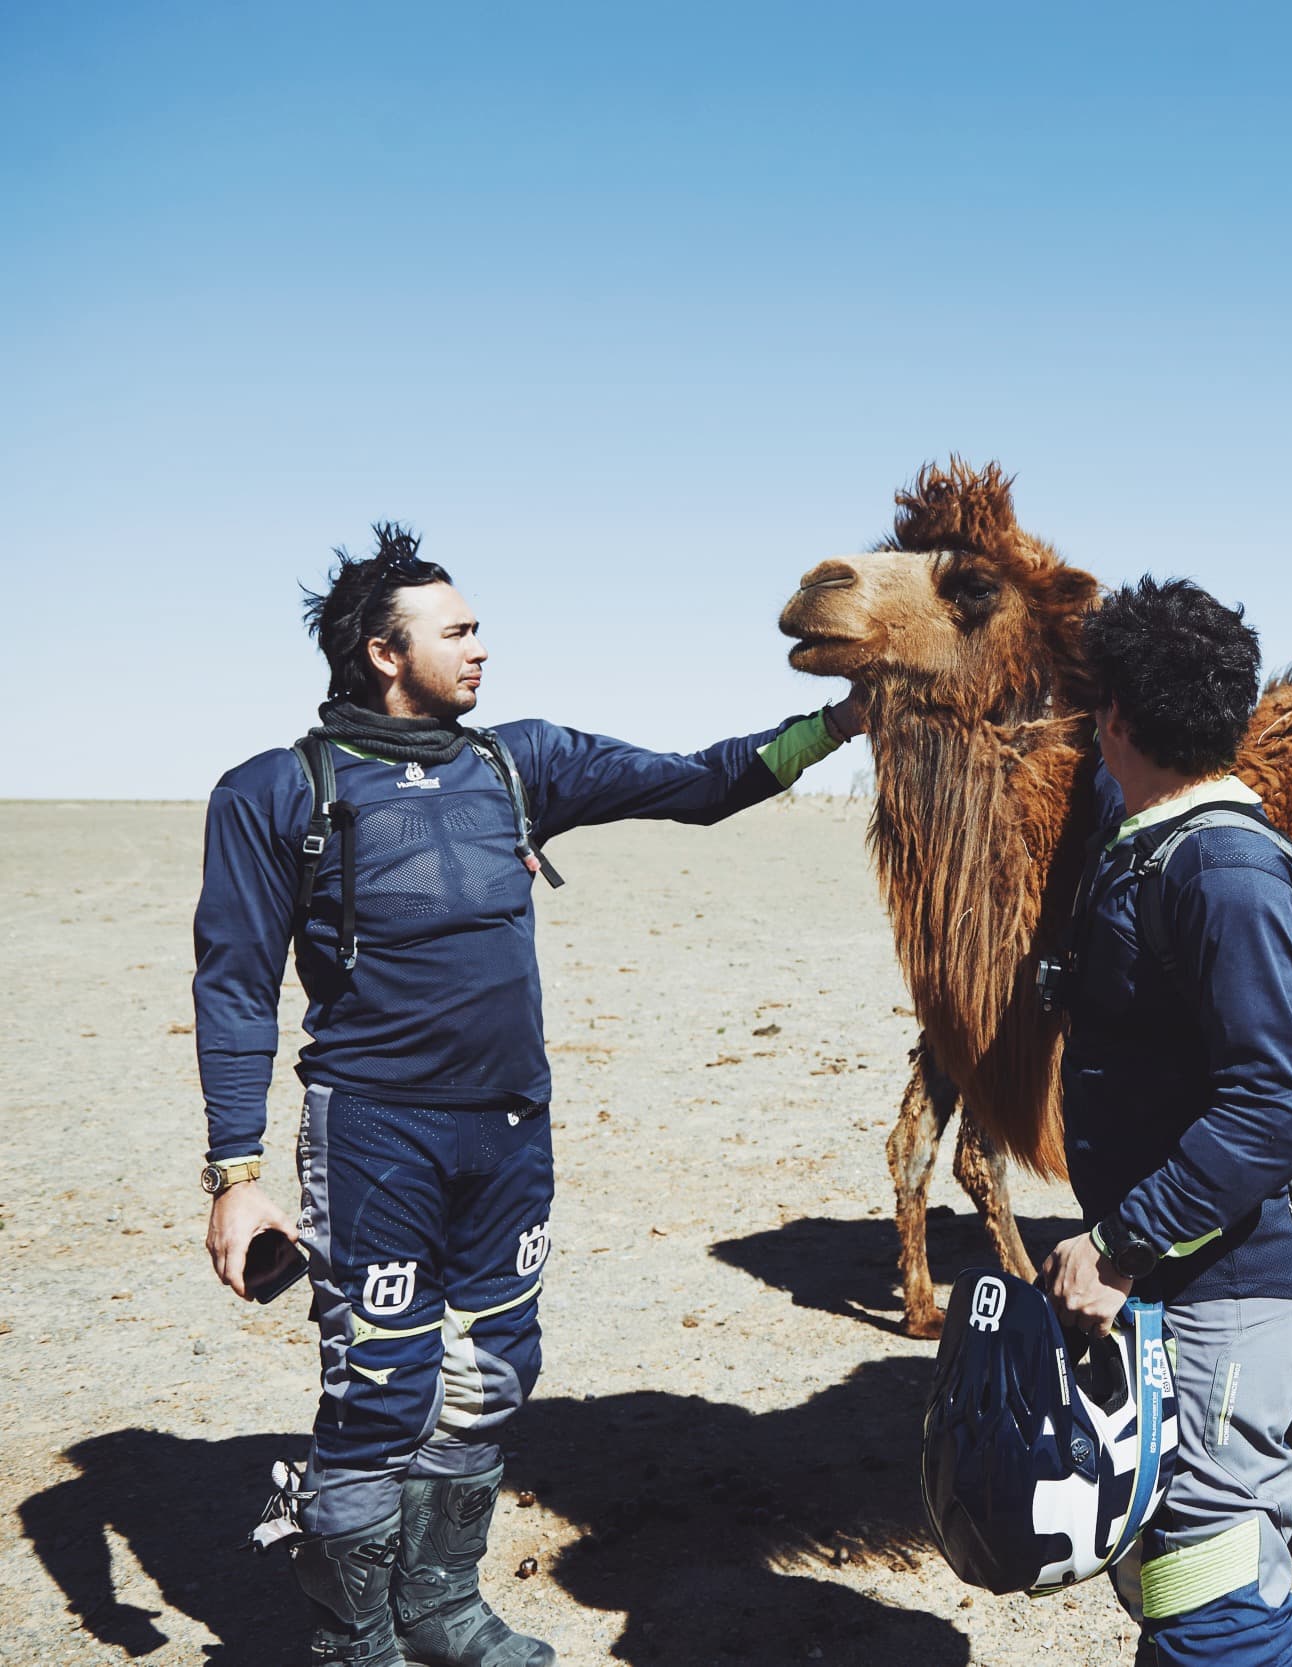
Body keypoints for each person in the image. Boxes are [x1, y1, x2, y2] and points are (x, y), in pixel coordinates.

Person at [193, 524, 860, 1667]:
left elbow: (699, 784)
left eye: (479, 627)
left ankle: (444, 1607)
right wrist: (235, 1175)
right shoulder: (273, 791)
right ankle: (358, 1641)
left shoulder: (519, 763)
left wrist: (839, 726)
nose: (482, 648)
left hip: (508, 1132)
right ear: (381, 652)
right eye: (457, 630)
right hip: (373, 1134)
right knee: (378, 1387)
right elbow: (235, 982)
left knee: (498, 1369)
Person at [1036, 577, 1292, 1667]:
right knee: (1172, 1579)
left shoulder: (1222, 869)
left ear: (1113, 718)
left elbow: (1272, 1106)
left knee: (1216, 1596)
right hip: (1183, 1276)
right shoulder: (1163, 835)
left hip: (1223, 1291)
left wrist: (1116, 1243)